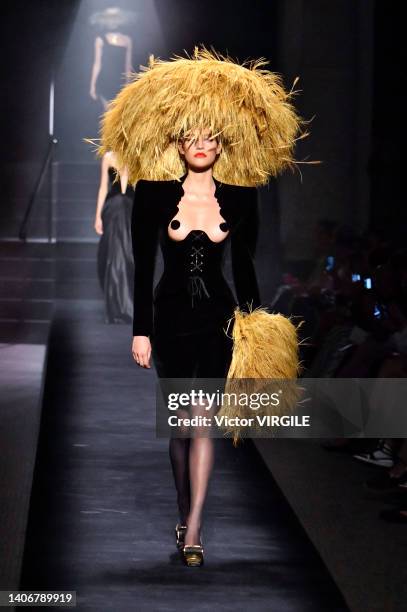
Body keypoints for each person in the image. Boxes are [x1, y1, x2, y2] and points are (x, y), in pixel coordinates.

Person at [97, 46, 304, 567]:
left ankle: (194, 528)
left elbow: (248, 263)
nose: (202, 145)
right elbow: (145, 266)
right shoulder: (152, 193)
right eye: (192, 137)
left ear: (221, 144)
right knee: (179, 426)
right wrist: (140, 331)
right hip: (169, 322)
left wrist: (257, 326)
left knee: (203, 420)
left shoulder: (239, 196)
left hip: (218, 322)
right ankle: (182, 504)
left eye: (210, 137)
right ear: (179, 142)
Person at [95, 151, 134, 324]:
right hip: (113, 208)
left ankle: (128, 303)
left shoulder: (139, 154)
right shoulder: (109, 157)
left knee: (129, 253)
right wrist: (97, 216)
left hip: (132, 208)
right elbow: (104, 186)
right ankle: (117, 307)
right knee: (113, 254)